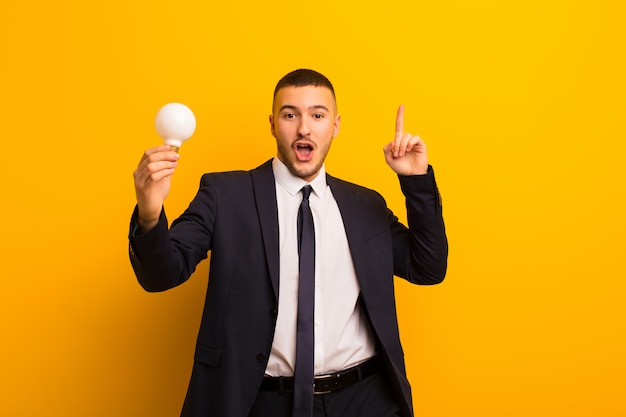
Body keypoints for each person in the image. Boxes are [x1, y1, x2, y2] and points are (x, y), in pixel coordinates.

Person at [129, 69, 448, 417]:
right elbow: (162, 274)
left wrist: (415, 180)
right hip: (263, 402)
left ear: (335, 126)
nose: (304, 128)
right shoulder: (225, 195)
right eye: (290, 114)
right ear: (272, 123)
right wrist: (149, 211)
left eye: (317, 114)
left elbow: (427, 267)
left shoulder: (365, 205)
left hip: (364, 400)